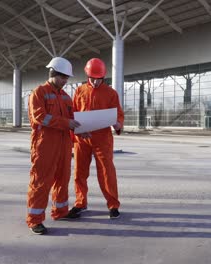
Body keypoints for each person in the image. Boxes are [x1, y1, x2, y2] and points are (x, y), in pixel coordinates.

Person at [26, 57, 81, 235]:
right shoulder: (39, 93)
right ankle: (35, 220)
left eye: (67, 78)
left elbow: (72, 120)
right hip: (45, 144)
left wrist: (82, 130)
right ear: (53, 74)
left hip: (64, 144)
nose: (66, 81)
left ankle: (60, 211)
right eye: (63, 77)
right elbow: (40, 117)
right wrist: (66, 123)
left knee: (62, 179)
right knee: (41, 181)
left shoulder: (66, 97)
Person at [67, 58, 124, 219]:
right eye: (92, 78)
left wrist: (118, 124)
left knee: (107, 172)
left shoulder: (111, 93)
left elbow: (118, 114)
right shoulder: (79, 91)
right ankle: (80, 203)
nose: (95, 81)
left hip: (103, 138)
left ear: (103, 77)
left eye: (98, 78)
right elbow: (73, 113)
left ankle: (113, 205)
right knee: (79, 173)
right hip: (82, 138)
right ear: (87, 75)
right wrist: (77, 132)